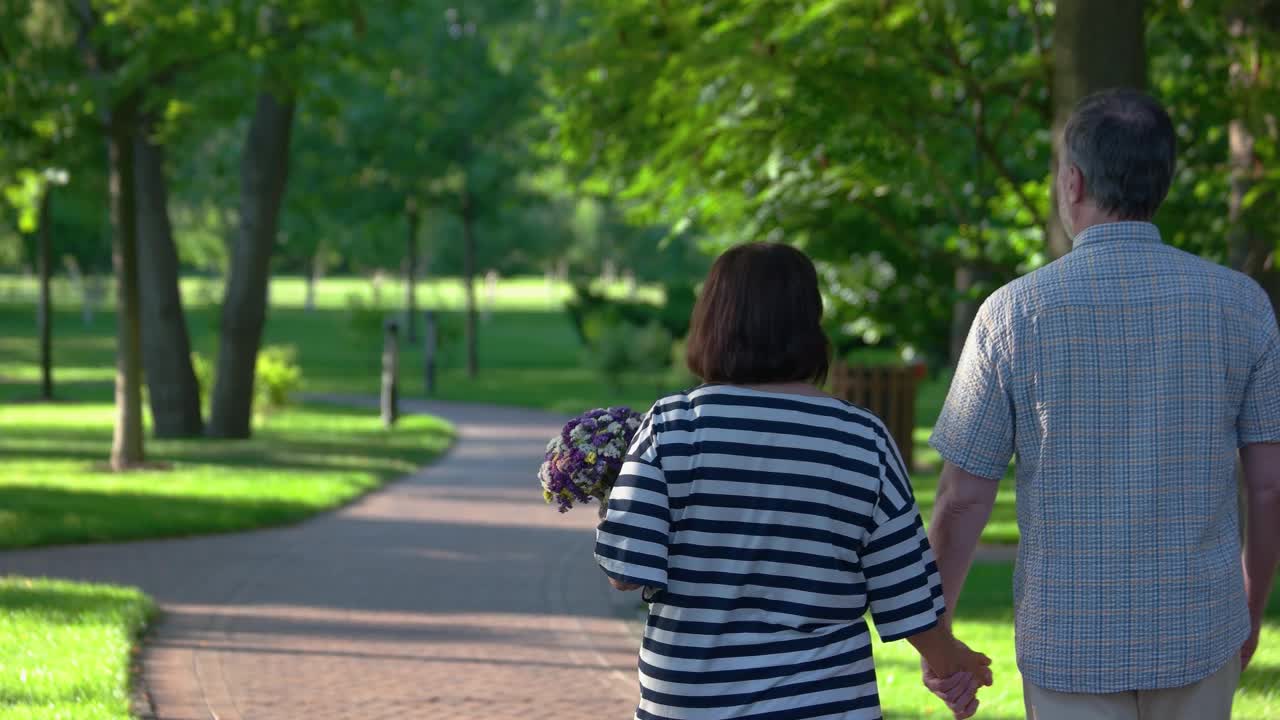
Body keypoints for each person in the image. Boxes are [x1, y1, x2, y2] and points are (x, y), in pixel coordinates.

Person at [927, 89, 1280, 720]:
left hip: (1068, 640)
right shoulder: (1243, 305)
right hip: (1200, 628)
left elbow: (961, 499)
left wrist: (937, 637)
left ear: (1073, 181)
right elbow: (1268, 488)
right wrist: (1249, 611)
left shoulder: (1011, 314)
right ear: (1163, 181)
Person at [595, 243, 992, 720]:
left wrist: (612, 497)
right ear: (810, 326)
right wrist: (953, 664)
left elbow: (626, 569)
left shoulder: (671, 426)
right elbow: (906, 594)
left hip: (690, 702)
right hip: (822, 703)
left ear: (711, 322)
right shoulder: (859, 439)